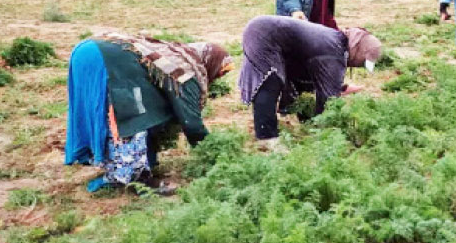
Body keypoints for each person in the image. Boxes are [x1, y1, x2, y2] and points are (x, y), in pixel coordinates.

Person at [65, 33, 232, 192]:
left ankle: (117, 163)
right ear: (212, 62)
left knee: (101, 108)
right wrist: (211, 149)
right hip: (106, 57)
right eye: (220, 72)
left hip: (86, 50)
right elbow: (190, 121)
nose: (218, 77)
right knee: (133, 113)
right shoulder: (186, 72)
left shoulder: (175, 53)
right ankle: (136, 179)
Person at [239, 16, 381, 151]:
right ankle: (267, 138)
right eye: (361, 62)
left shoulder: (333, 42)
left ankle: (274, 129)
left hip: (263, 30)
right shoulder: (334, 51)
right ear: (358, 52)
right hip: (264, 34)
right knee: (269, 80)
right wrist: (325, 131)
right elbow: (328, 99)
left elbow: (313, 81)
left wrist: (341, 88)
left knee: (282, 81)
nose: (357, 65)